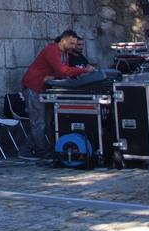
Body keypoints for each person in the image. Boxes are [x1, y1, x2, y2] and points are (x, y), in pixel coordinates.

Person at [20, 30, 94, 158]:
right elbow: (62, 70)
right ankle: (38, 151)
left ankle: (31, 149)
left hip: (44, 89)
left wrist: (53, 76)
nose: (73, 47)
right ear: (63, 40)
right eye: (71, 43)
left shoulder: (64, 53)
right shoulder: (52, 50)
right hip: (34, 87)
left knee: (47, 122)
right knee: (39, 122)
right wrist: (83, 70)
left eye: (74, 44)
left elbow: (60, 73)